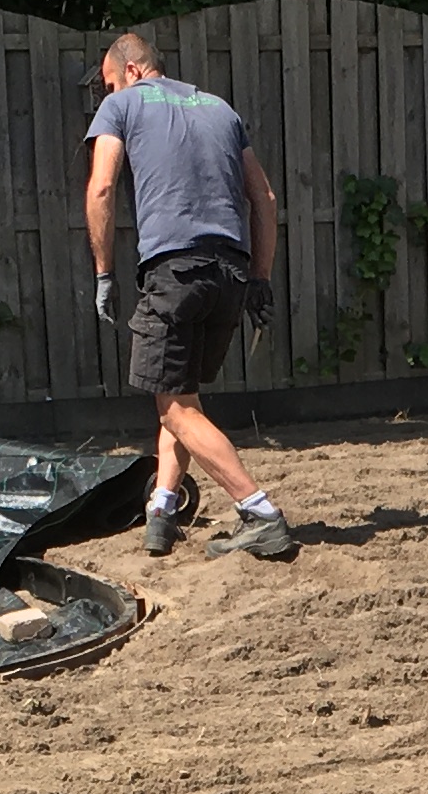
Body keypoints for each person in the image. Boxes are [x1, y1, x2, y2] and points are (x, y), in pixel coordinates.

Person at [84, 33, 294, 561]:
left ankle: (259, 512)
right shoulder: (220, 108)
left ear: (132, 70)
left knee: (175, 408)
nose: (107, 92)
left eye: (109, 82)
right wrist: (260, 278)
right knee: (180, 394)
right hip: (229, 272)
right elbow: (265, 198)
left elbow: (102, 188)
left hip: (175, 272)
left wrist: (104, 273)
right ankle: (162, 509)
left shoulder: (121, 106)